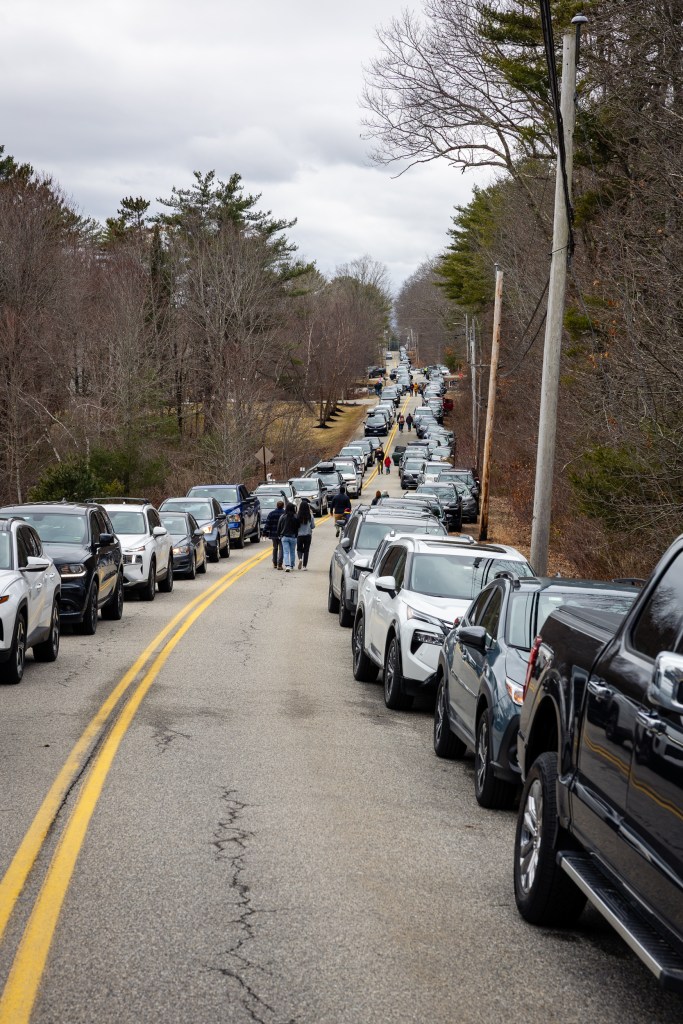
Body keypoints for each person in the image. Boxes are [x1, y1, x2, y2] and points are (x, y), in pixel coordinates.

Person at [277, 502, 299, 572]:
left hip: (284, 536)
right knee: (292, 551)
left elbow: (279, 527)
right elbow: (298, 526)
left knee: (286, 552)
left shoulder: (282, 516)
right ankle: (292, 565)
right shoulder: (296, 516)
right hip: (293, 536)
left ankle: (287, 566)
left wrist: (279, 534)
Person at [264, 499, 285, 569]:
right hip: (282, 534)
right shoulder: (285, 514)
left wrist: (264, 531)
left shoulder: (272, 513)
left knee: (275, 548)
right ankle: (280, 564)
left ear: (277, 506)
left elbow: (268, 524)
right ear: (283, 506)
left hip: (273, 534)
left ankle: (275, 563)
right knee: (281, 549)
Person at [296, 499, 315, 570]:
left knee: (299, 549)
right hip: (308, 535)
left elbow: (296, 526)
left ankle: (300, 558)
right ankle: (304, 566)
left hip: (299, 535)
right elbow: (313, 526)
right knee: (306, 550)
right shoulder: (310, 516)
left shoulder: (298, 516)